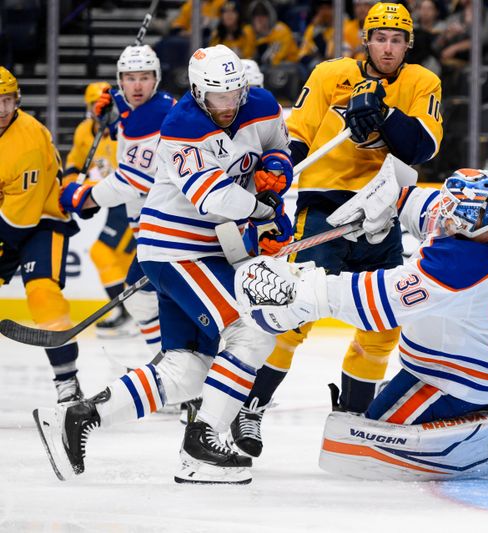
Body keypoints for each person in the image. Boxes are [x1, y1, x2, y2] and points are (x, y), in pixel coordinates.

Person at [33, 45, 294, 485]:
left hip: (210, 250)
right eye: (218, 96)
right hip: (176, 248)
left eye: (235, 94)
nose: (229, 106)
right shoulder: (182, 126)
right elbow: (214, 200)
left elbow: (280, 148)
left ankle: (77, 416)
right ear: (196, 90)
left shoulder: (261, 105)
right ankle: (205, 441)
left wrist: (275, 170)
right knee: (252, 328)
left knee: (187, 368)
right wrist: (267, 213)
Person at [234, 169, 488, 480]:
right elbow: (435, 206)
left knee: (363, 433)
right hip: (482, 364)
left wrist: (304, 289)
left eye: (453, 220)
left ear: (472, 225)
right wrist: (391, 201)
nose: (443, 221)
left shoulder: (458, 267)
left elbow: (377, 301)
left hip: (452, 379)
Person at [228, 2, 443, 459]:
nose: (388, 47)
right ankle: (251, 406)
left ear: (408, 44)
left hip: (382, 212)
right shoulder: (330, 74)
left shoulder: (423, 82)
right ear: (365, 40)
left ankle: (352, 420)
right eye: (380, 38)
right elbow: (298, 134)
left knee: (382, 325)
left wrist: (383, 116)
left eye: (397, 39)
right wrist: (278, 169)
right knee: (292, 312)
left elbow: (422, 148)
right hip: (326, 206)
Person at [60, 45, 174, 356]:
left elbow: (131, 180)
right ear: (120, 80)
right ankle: (172, 368)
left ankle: (171, 370)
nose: (137, 85)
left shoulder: (154, 116)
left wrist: (85, 196)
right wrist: (115, 117)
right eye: (129, 78)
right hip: (156, 224)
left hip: (167, 228)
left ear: (157, 78)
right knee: (155, 301)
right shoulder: (145, 109)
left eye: (145, 78)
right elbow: (128, 122)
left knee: (144, 299)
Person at [0, 67, 83, 403]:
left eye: (6, 101)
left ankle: (67, 381)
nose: (1, 110)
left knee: (43, 293)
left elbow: (20, 221)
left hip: (42, 222)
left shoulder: (27, 141)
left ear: (16, 101)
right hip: (10, 219)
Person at [64, 82, 137, 337]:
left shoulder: (124, 133)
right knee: (124, 261)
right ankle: (136, 314)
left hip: (131, 202)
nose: (100, 111)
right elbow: (74, 160)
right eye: (95, 106)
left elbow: (123, 179)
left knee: (102, 252)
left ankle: (128, 313)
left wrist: (88, 190)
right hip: (113, 204)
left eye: (105, 106)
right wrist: (69, 185)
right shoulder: (85, 130)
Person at [250, 0, 299, 66]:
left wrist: (262, 36)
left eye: (264, 14)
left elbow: (271, 60)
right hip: (268, 69)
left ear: (270, 16)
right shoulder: (249, 32)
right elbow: (248, 58)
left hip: (290, 66)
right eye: (256, 15)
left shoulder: (281, 30)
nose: (260, 19)